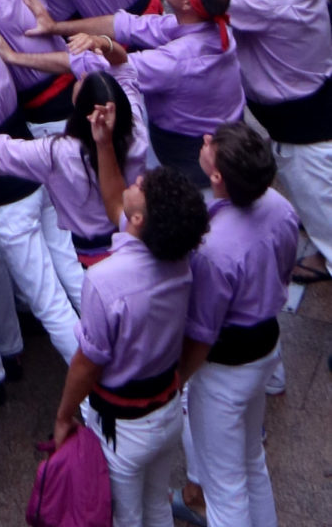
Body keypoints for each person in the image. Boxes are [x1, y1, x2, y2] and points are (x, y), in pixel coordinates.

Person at [50, 167, 209, 527]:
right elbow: (113, 199)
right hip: (167, 412)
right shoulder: (180, 259)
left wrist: (63, 416)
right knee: (156, 504)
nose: (136, 180)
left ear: (137, 220)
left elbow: (86, 364)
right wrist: (104, 144)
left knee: (126, 518)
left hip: (121, 428)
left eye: (141, 186)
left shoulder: (104, 279)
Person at [180, 123, 297, 527]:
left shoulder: (213, 249)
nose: (205, 141)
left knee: (224, 488)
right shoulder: (281, 208)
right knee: (252, 462)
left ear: (217, 178)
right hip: (265, 348)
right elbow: (285, 270)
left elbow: (201, 332)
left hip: (225, 370)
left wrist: (176, 379)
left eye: (211, 145)